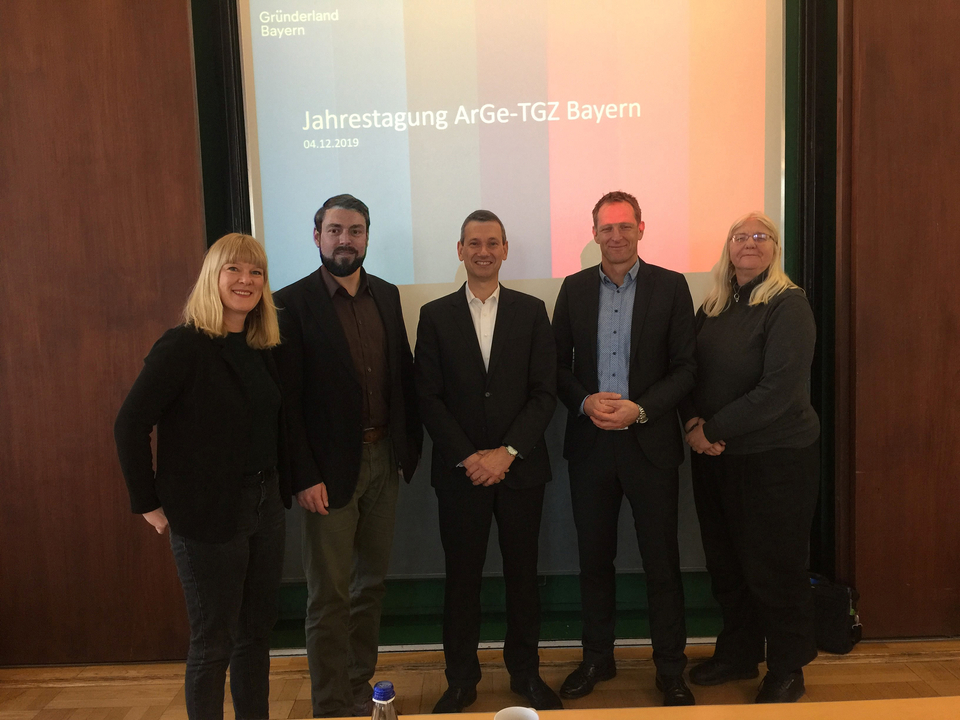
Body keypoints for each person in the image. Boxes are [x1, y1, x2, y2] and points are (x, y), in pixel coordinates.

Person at [115, 233, 289, 720]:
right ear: (212, 277)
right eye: (233, 269)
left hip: (264, 503)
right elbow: (130, 423)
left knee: (255, 634)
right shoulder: (183, 345)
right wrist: (146, 503)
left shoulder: (259, 345)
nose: (246, 280)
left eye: (256, 272)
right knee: (214, 641)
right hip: (206, 511)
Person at [273, 194, 422, 718]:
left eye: (355, 230)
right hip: (327, 474)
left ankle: (359, 688)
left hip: (384, 460)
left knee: (370, 586)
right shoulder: (288, 304)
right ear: (317, 237)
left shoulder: (386, 293)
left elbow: (402, 374)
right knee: (329, 596)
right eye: (334, 230)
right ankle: (331, 703)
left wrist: (407, 449)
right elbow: (286, 403)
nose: (345, 240)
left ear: (366, 236)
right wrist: (304, 475)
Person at [552, 191, 697, 707]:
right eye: (605, 228)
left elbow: (686, 367)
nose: (615, 236)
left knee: (662, 562)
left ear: (641, 228)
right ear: (593, 234)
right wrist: (586, 400)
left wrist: (641, 409)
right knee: (594, 560)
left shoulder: (671, 287)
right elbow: (556, 367)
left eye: (624, 226)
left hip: (649, 444)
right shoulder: (572, 290)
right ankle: (597, 659)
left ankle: (670, 669)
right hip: (591, 445)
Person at [415, 210, 563, 714]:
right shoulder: (434, 315)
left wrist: (506, 453)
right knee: (462, 579)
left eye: (492, 242)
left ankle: (526, 675)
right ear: (460, 250)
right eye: (473, 242)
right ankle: (461, 682)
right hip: (460, 474)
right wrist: (469, 457)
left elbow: (545, 393)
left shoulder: (532, 310)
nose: (483, 251)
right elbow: (428, 397)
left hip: (520, 469)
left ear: (505, 250)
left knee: (523, 576)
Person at [680, 212, 820, 703]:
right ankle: (739, 653)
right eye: (741, 236)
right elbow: (688, 369)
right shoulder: (715, 305)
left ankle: (787, 668)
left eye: (761, 237)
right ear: (728, 247)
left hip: (775, 459)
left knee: (775, 567)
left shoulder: (787, 305)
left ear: (774, 249)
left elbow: (778, 390)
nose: (750, 243)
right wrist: (694, 424)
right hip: (717, 458)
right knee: (728, 563)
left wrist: (711, 429)